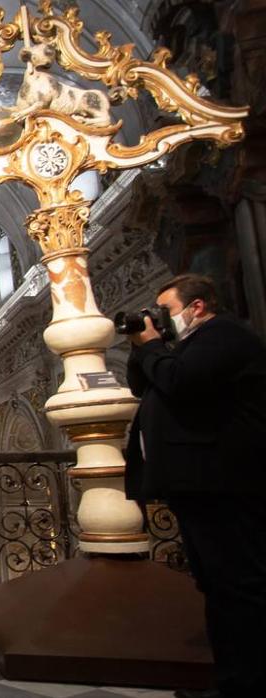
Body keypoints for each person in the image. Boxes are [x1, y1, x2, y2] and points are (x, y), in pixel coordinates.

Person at [125, 273, 266, 698]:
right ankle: (231, 678)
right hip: (201, 484)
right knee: (218, 586)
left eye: (165, 310)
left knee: (239, 587)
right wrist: (142, 345)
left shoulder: (224, 336)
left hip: (225, 482)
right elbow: (143, 384)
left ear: (198, 306)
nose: (159, 319)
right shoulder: (185, 348)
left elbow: (181, 384)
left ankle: (248, 682)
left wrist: (152, 346)